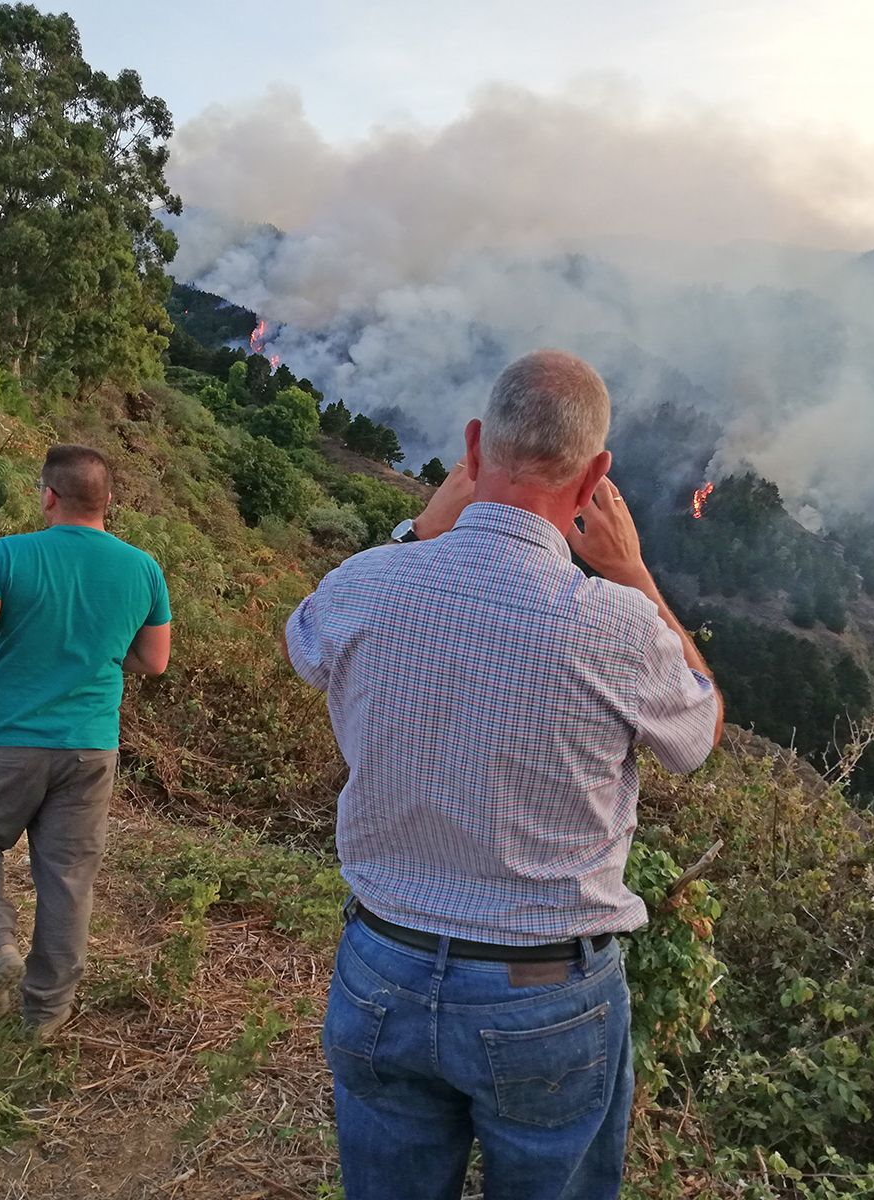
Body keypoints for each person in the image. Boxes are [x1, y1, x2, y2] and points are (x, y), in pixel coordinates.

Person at [283, 350, 724, 1200]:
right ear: (596, 474)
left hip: (383, 963)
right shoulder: (616, 624)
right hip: (546, 991)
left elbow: (304, 641)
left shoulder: (370, 581)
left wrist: (419, 529)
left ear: (475, 445)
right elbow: (698, 732)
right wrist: (633, 573)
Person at [0, 444, 171, 1039]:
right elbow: (155, 661)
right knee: (67, 876)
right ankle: (45, 1015)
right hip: (91, 746)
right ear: (108, 502)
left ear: (48, 496)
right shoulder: (143, 568)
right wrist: (101, 652)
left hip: (11, 737)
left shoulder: (9, 555)